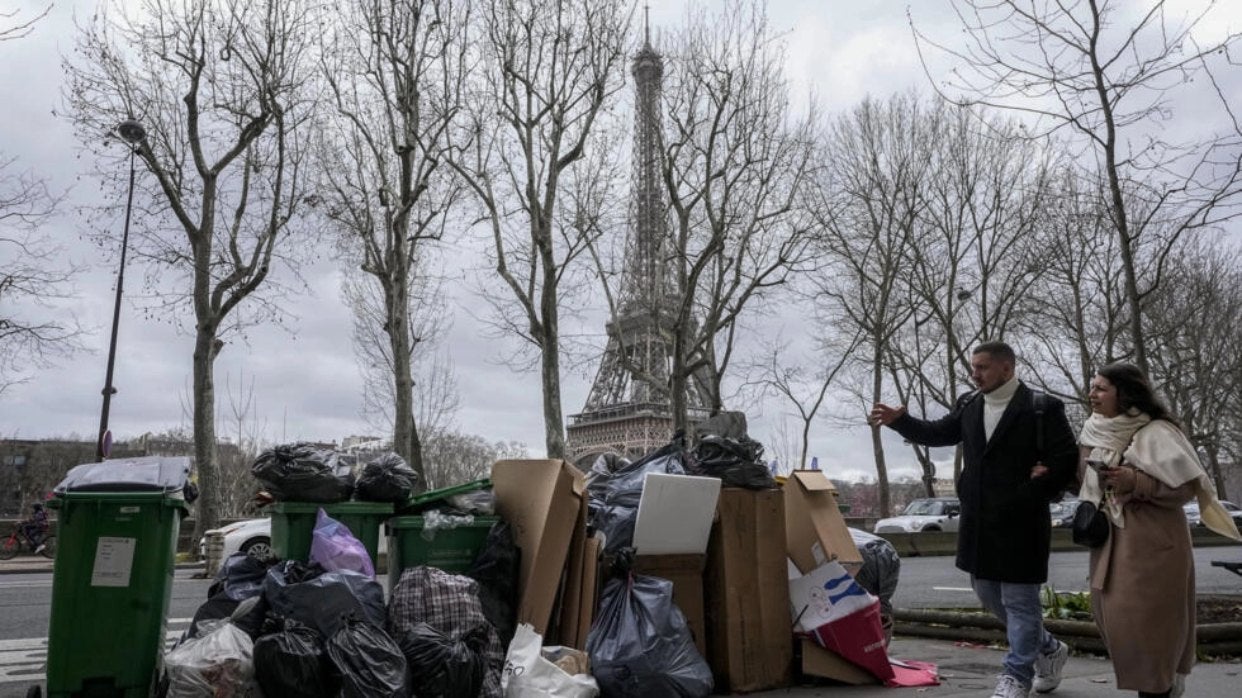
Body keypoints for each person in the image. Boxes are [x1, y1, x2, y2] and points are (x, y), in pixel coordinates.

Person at [871, 341, 1078, 698]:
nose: (974, 373)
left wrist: (1033, 488)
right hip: (979, 521)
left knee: (1019, 601)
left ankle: (1016, 676)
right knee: (986, 592)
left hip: (1022, 521)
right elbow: (939, 433)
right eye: (973, 367)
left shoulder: (1041, 407)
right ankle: (1049, 648)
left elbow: (1065, 460)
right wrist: (899, 421)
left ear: (1007, 369)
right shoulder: (969, 403)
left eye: (982, 367)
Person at [1078, 362, 1240, 698]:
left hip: (1152, 544)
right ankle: (1162, 680)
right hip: (1109, 542)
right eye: (1093, 387)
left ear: (1124, 393)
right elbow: (1082, 481)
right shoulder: (1092, 431)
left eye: (1101, 388)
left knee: (1149, 627)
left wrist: (1135, 481)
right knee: (1117, 623)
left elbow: (1185, 489)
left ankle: (1159, 685)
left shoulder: (1158, 432)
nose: (1092, 394)